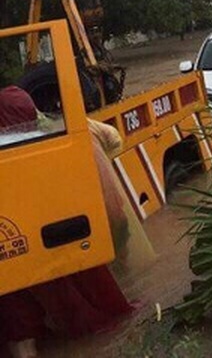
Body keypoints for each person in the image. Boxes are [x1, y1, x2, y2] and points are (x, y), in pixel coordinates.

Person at [0, 86, 136, 358]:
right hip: (50, 219)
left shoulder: (57, 133)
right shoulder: (59, 135)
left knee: (19, 316)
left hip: (18, 228)